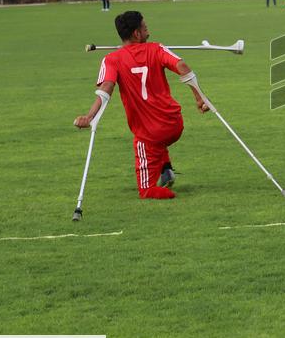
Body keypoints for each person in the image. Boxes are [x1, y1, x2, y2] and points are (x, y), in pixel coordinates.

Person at [73, 11, 209, 198]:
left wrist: (89, 117)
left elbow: (106, 88)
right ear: (136, 34)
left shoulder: (111, 59)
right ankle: (165, 168)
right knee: (157, 142)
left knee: (146, 190)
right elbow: (183, 67)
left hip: (148, 133)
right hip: (174, 124)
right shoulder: (157, 49)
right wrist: (200, 98)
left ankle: (166, 180)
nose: (149, 32)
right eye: (145, 29)